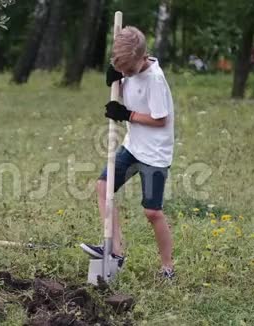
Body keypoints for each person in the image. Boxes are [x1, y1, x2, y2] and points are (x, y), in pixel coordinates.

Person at [80, 26, 176, 279]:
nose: (126, 73)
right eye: (121, 69)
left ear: (143, 57)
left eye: (129, 70)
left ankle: (167, 268)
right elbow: (127, 87)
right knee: (103, 188)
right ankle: (116, 252)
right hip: (133, 147)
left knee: (152, 212)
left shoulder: (154, 79)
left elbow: (160, 119)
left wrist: (126, 115)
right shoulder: (128, 68)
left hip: (155, 154)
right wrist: (116, 80)